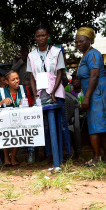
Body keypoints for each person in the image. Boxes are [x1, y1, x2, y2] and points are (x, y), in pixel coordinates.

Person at [75, 27, 106, 165]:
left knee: (95, 125)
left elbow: (94, 75)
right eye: (76, 42)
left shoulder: (93, 54)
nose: (78, 44)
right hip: (97, 90)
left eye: (81, 41)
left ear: (89, 40)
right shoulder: (87, 54)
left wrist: (87, 97)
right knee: (101, 125)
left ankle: (97, 158)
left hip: (98, 91)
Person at [27, 24, 71, 157]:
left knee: (61, 123)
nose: (41, 38)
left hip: (55, 92)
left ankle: (67, 153)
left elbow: (59, 73)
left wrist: (53, 92)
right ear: (35, 38)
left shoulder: (56, 52)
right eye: (38, 36)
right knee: (45, 125)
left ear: (48, 36)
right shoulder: (31, 55)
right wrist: (35, 95)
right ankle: (49, 154)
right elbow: (31, 77)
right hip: (40, 94)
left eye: (43, 35)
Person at [0, 70, 29, 166]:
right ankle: (6, 156)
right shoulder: (1, 91)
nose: (16, 81)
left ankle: (13, 156)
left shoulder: (24, 89)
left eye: (17, 78)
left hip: (20, 120)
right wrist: (2, 102)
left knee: (19, 132)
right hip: (5, 121)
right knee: (6, 132)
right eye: (13, 80)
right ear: (7, 82)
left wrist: (24, 103)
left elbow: (31, 104)